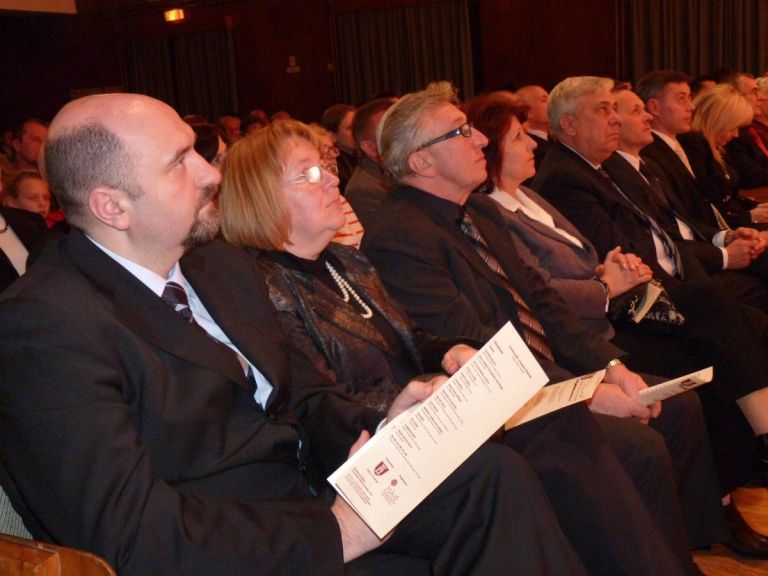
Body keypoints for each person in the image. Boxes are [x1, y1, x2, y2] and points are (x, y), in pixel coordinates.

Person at [0, 92, 589, 576]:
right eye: (180, 162)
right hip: (238, 547)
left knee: (491, 478)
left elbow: (302, 397)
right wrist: (333, 533)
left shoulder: (217, 266)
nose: (211, 173)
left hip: (314, 493)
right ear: (112, 207)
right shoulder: (44, 325)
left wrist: (387, 425)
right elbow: (127, 531)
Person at [363, 81, 704, 576]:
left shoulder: (479, 210)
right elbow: (475, 346)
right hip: (502, 406)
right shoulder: (399, 236)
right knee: (637, 445)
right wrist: (585, 395)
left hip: (546, 376)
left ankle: (679, 558)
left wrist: (611, 368)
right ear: (422, 162)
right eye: (460, 133)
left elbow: (544, 303)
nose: (482, 140)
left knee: (677, 407)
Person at [466, 89, 768, 555]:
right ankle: (722, 498)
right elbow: (538, 291)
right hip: (588, 328)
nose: (532, 144)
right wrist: (606, 284)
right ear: (491, 151)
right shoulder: (495, 210)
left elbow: (584, 253)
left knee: (725, 332)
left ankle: (725, 495)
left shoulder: (529, 196)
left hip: (614, 306)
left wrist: (612, 268)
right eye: (518, 138)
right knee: (706, 343)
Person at [680, 83, 768, 226]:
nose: (736, 134)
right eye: (733, 127)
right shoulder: (694, 145)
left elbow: (728, 197)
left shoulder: (716, 147)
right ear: (718, 121)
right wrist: (749, 215)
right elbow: (709, 201)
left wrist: (755, 206)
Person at [345, 98, 396, 229]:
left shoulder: (404, 171)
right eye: (392, 132)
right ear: (370, 148)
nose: (406, 137)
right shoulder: (363, 190)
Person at [321, 104, 357, 192]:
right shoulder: (334, 165)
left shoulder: (364, 156)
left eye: (358, 126)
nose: (356, 131)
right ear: (333, 135)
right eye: (350, 128)